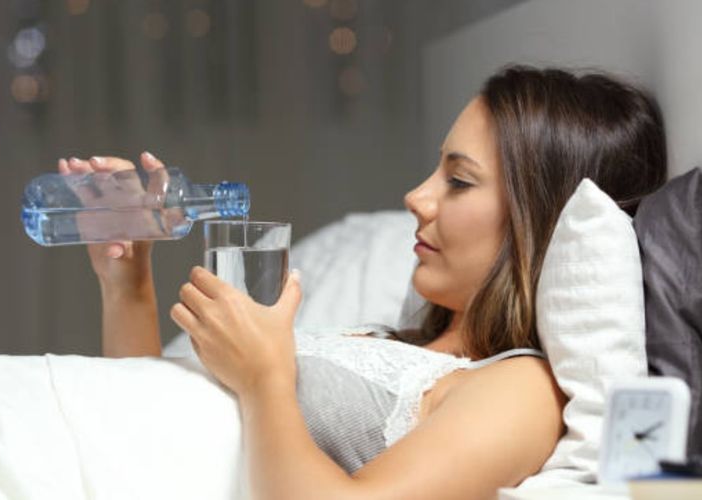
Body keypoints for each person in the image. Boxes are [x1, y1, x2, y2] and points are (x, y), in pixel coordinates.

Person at [60, 65, 667, 499]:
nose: (416, 197)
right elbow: (151, 425)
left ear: (536, 218)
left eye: (458, 181)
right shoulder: (390, 342)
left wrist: (266, 379)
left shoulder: (522, 391)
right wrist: (126, 279)